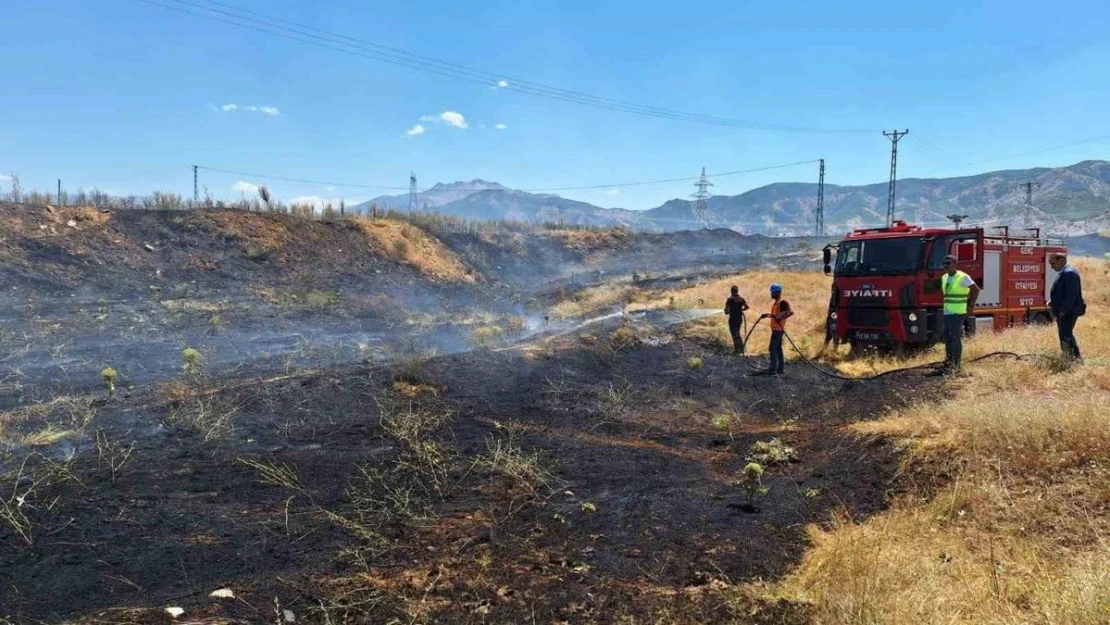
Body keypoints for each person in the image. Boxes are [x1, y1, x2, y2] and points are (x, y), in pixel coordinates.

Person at [939, 254, 980, 374]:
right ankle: (949, 362)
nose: (946, 266)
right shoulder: (944, 277)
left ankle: (956, 365)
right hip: (948, 311)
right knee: (948, 337)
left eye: (948, 263)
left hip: (958, 311)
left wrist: (971, 306)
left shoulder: (962, 277)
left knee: (954, 337)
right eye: (944, 263)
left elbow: (975, 289)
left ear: (955, 264)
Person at [1049, 253, 1085, 361]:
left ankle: (1074, 358)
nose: (1051, 266)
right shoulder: (1064, 272)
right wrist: (1053, 301)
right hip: (1065, 311)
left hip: (1068, 312)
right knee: (1064, 334)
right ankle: (1069, 357)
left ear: (1062, 261)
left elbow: (1071, 295)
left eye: (1053, 263)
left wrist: (1063, 310)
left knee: (1066, 334)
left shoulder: (1069, 273)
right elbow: (1063, 292)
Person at [759, 283, 793, 376]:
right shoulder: (776, 304)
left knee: (772, 348)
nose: (771, 294)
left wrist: (780, 317)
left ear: (777, 292)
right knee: (778, 348)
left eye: (772, 292)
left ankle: (773, 369)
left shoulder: (782, 302)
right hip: (775, 329)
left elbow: (790, 312)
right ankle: (780, 369)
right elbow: (775, 315)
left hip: (778, 329)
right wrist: (767, 315)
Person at [724, 285, 749, 354]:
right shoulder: (741, 299)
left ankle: (739, 350)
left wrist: (727, 311)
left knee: (735, 334)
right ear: (737, 291)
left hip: (733, 320)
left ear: (731, 291)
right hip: (739, 320)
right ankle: (739, 350)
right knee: (737, 333)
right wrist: (741, 310)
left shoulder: (730, 299)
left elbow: (726, 311)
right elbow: (747, 307)